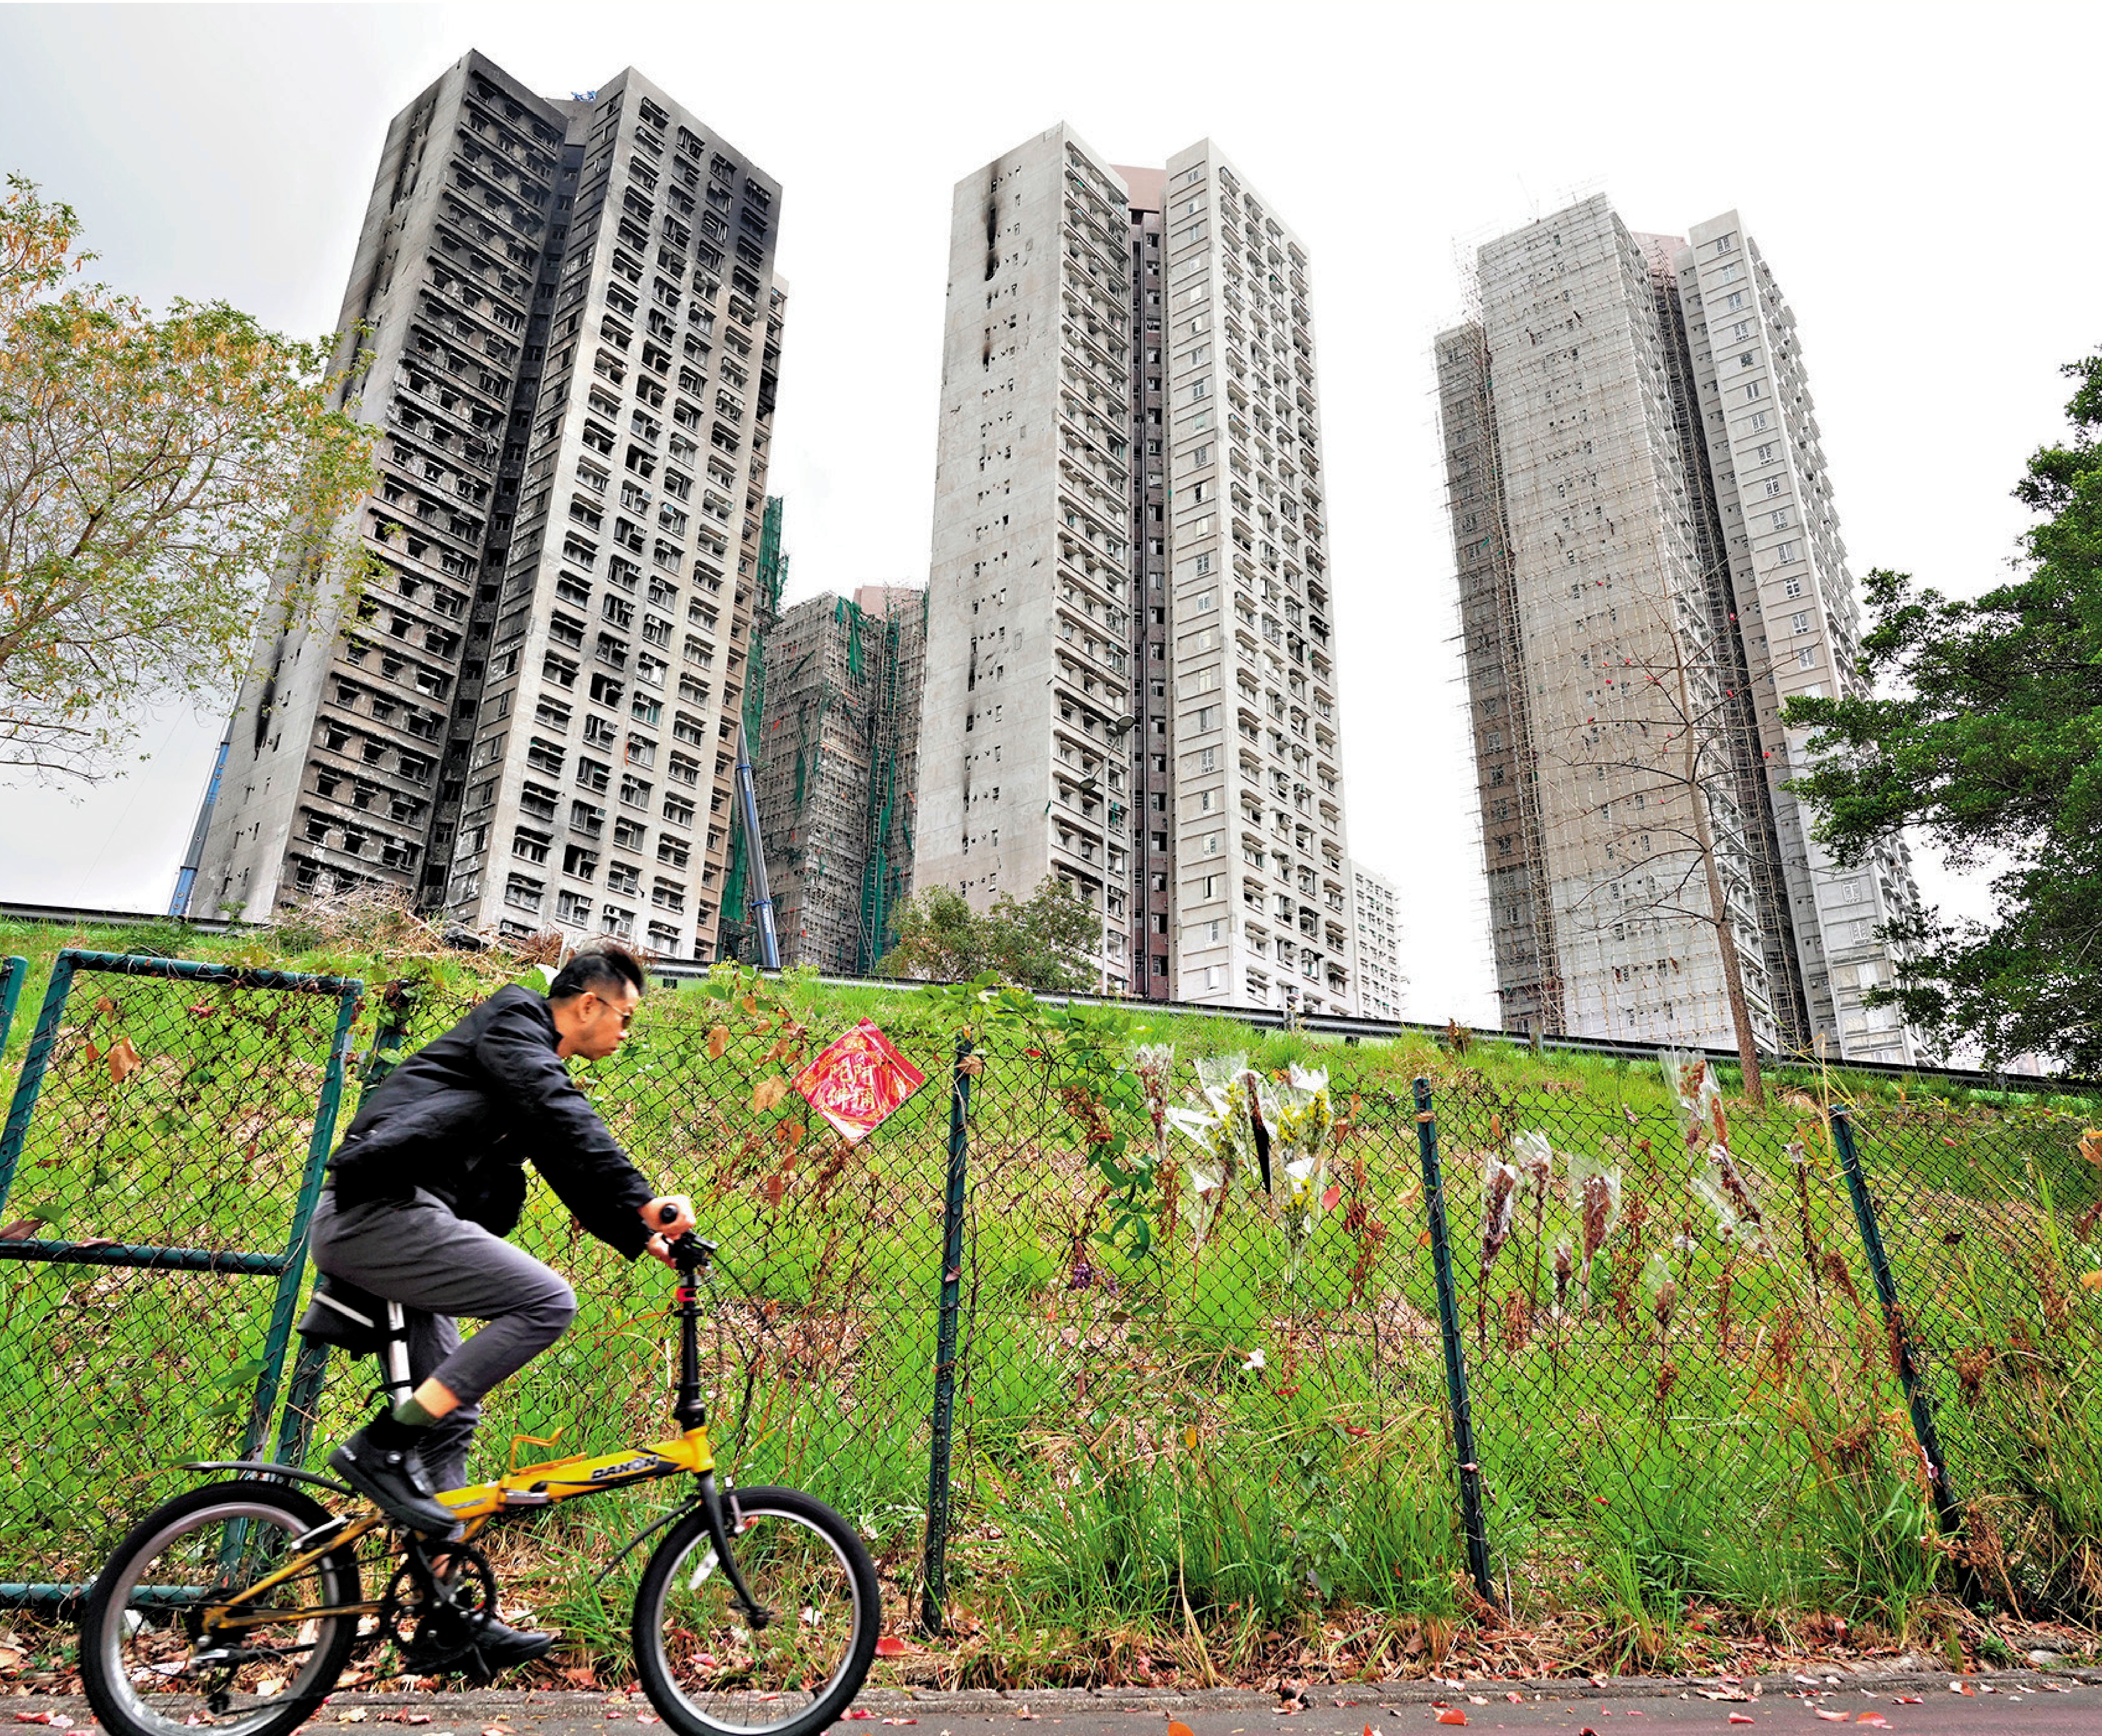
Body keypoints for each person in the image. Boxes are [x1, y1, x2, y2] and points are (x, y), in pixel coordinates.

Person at [303, 942, 693, 1671]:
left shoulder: (527, 1068)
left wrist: (642, 1234)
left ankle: (446, 1617)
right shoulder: (513, 1021)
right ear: (588, 1005)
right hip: (378, 1210)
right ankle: (380, 1445)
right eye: (627, 1019)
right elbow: (556, 1108)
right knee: (547, 1299)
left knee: (450, 1417)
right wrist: (646, 1194)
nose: (625, 1034)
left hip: (404, 1217)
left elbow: (562, 1156)